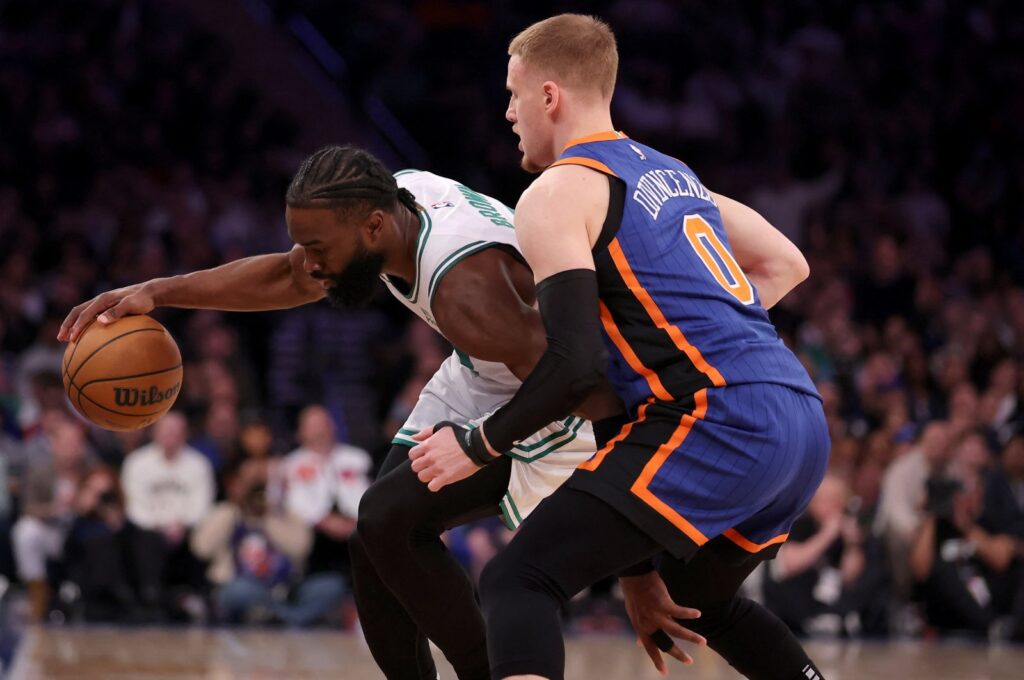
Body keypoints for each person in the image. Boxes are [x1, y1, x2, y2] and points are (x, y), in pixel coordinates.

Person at [57, 145, 632, 679]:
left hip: (562, 395)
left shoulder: (465, 289)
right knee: (373, 542)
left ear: (373, 226)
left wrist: (482, 447)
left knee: (389, 521)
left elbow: (579, 378)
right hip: (492, 366)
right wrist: (157, 291)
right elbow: (286, 276)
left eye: (318, 249)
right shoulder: (390, 201)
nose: (309, 263)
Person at [412, 14, 829, 680]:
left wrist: (478, 444)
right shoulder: (674, 174)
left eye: (515, 94)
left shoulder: (555, 192)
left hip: (719, 414)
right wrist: (697, 332)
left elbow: (576, 365)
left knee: (518, 579)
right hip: (799, 418)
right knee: (700, 598)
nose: (508, 113)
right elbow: (786, 265)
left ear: (549, 96)